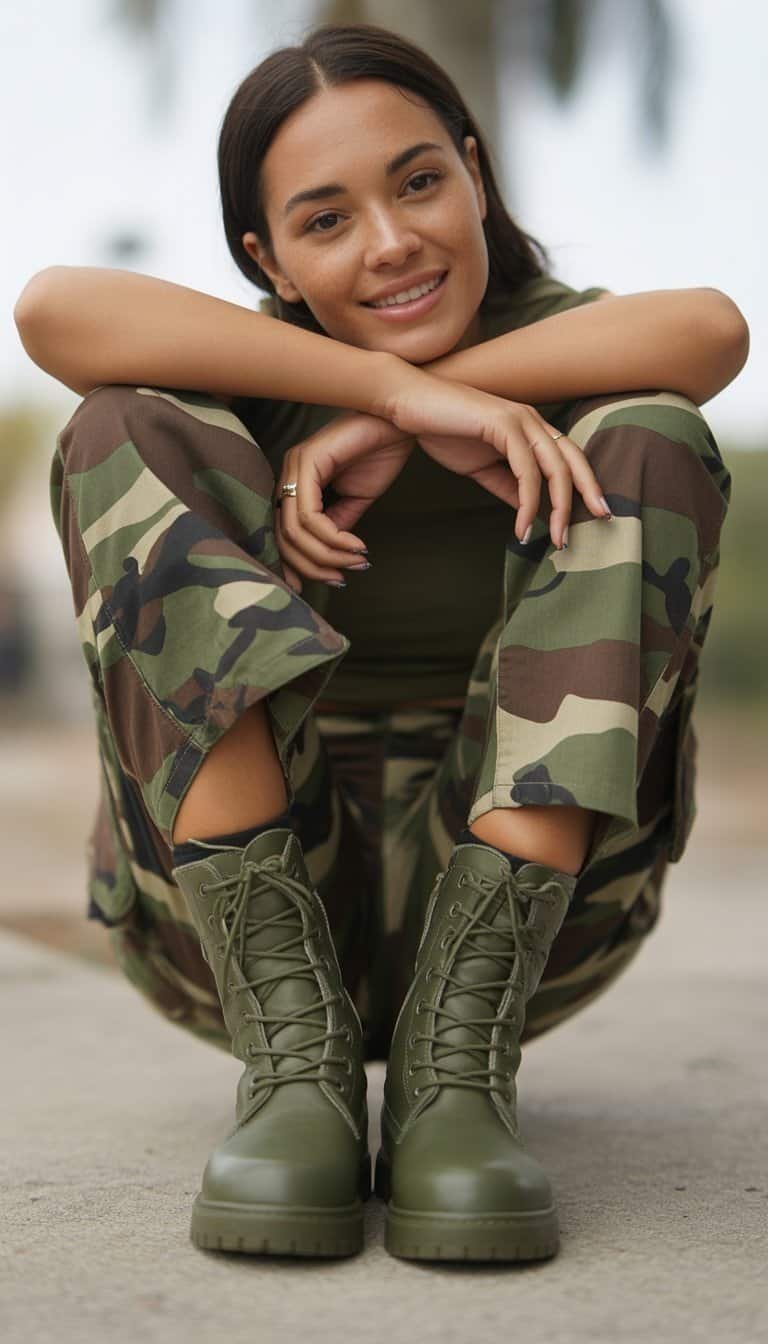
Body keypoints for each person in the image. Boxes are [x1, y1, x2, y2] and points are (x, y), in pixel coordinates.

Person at [14, 22, 745, 1265]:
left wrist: (435, 402)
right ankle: (293, 1076)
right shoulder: (244, 373)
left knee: (652, 430)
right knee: (122, 421)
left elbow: (712, 330)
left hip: (539, 937)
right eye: (326, 218)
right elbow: (52, 309)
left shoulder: (570, 350)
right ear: (269, 259)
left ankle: (455, 1082)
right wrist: (393, 392)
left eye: (418, 182)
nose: (392, 240)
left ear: (474, 173)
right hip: (226, 942)